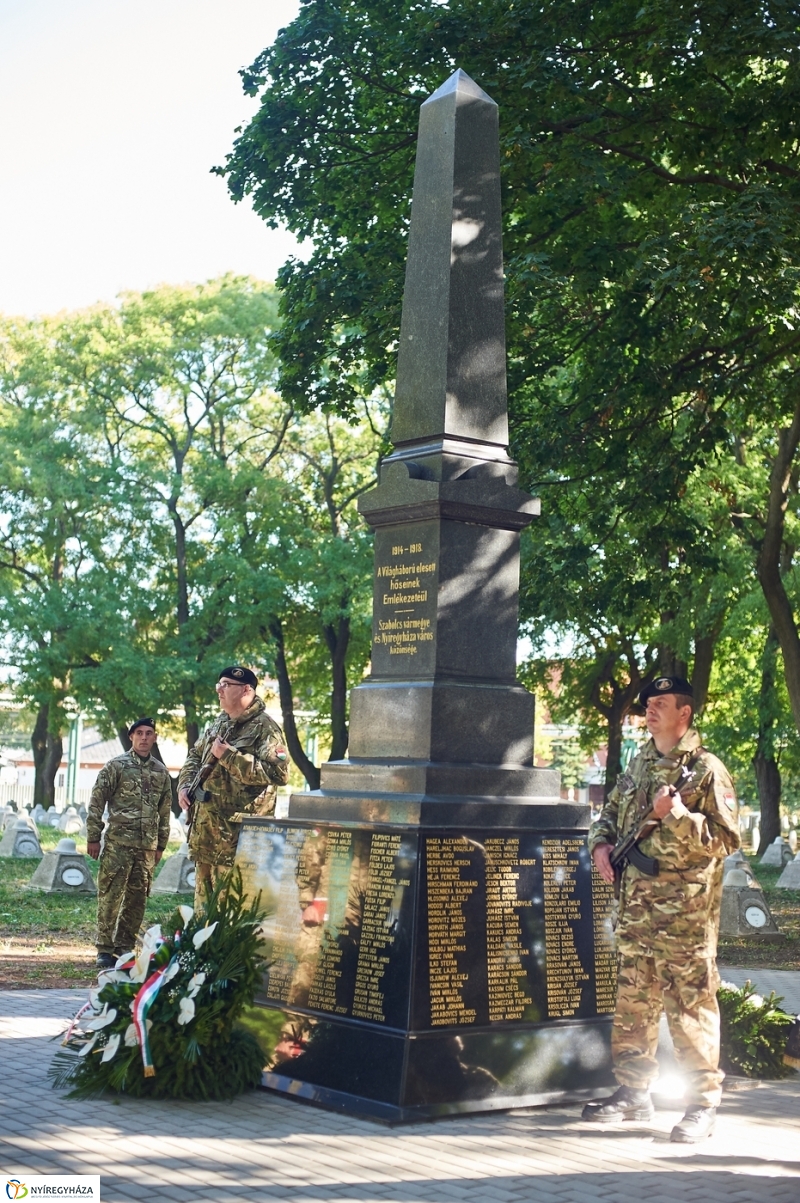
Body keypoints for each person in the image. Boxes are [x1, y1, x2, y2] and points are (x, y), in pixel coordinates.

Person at [584, 675, 741, 1143]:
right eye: (648, 703)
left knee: (690, 1009)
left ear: (684, 714)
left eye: (661, 703)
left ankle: (703, 1104)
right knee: (634, 1004)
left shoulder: (708, 770)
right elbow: (611, 811)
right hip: (637, 911)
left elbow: (726, 841)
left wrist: (675, 814)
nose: (650, 710)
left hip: (685, 919)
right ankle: (633, 1092)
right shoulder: (640, 762)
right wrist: (600, 845)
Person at [178, 666, 290, 908]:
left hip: (239, 840)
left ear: (246, 690)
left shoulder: (265, 728)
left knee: (232, 913)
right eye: (219, 684)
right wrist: (185, 785)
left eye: (226, 685)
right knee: (203, 913)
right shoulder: (220, 723)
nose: (219, 689)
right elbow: (195, 756)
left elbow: (279, 774)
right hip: (207, 835)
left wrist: (229, 756)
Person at [87, 717, 172, 971]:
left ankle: (123, 949)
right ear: (132, 737)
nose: (144, 738)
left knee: (137, 901)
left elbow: (164, 811)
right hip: (118, 845)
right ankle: (104, 948)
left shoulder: (161, 771)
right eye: (139, 733)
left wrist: (160, 846)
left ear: (155, 738)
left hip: (146, 847)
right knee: (111, 896)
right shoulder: (116, 766)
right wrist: (94, 836)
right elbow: (96, 801)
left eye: (149, 733)